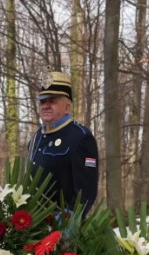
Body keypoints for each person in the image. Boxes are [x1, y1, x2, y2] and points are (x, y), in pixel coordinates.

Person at [26, 72, 98, 217]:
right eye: (42, 102)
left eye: (52, 101)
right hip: (34, 221)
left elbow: (86, 190)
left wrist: (68, 218)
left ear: (67, 107)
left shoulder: (80, 137)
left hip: (62, 223)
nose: (45, 106)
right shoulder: (36, 137)